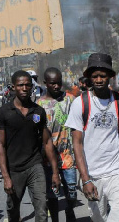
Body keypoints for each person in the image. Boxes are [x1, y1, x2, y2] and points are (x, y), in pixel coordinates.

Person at [65, 53, 119, 222]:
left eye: (102, 76)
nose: (98, 80)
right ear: (89, 77)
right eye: (94, 76)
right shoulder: (80, 104)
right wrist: (85, 179)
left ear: (110, 77)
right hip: (93, 176)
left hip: (117, 173)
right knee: (99, 218)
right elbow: (77, 144)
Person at [0, 70, 60, 222]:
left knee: (42, 207)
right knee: (13, 209)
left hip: (35, 166)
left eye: (27, 85)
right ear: (13, 87)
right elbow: (1, 145)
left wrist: (55, 172)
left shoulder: (38, 112)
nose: (24, 88)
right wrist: (6, 177)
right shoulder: (4, 112)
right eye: (20, 85)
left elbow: (47, 142)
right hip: (14, 169)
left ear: (32, 87)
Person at [36, 67, 77, 222]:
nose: (56, 86)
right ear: (45, 83)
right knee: (52, 194)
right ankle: (55, 219)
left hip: (68, 156)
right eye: (52, 83)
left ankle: (70, 211)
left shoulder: (70, 99)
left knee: (71, 191)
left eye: (59, 83)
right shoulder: (39, 105)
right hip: (47, 158)